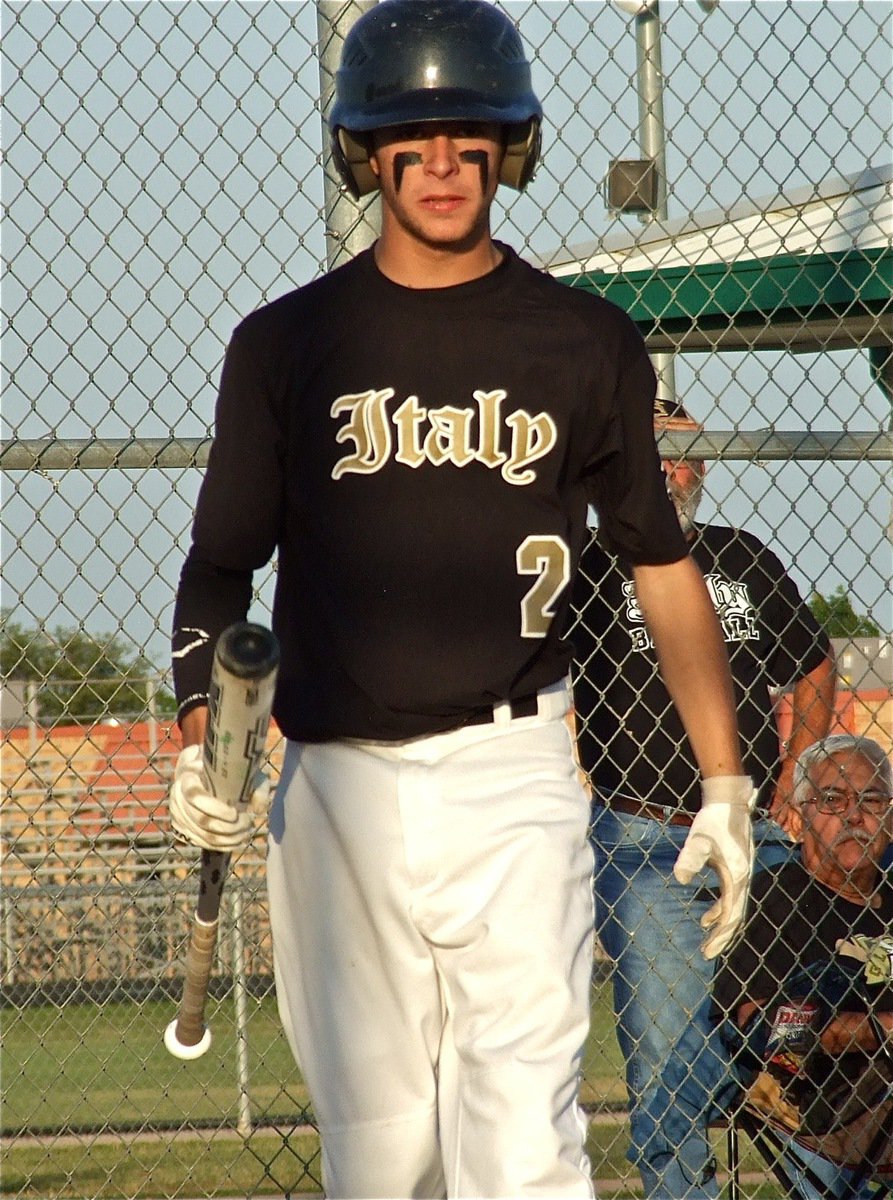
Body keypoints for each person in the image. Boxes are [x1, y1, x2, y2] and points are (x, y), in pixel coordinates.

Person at [165, 4, 756, 1196]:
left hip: (514, 778)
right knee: (381, 1163)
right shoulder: (287, 344)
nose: (440, 163)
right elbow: (216, 573)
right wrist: (200, 744)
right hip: (339, 786)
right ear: (364, 153)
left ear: (511, 146)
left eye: (467, 134)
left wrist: (726, 781)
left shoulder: (580, 340)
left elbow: (657, 562)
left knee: (522, 1148)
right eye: (410, 136)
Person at [571, 397, 837, 1194]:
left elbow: (814, 668)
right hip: (641, 835)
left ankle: (824, 1173)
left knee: (804, 1025)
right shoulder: (588, 568)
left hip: (756, 829)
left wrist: (795, 776)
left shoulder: (742, 557)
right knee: (664, 1048)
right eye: (646, 453)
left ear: (704, 466)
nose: (664, 468)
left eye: (680, 453)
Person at [639, 734, 893, 1199]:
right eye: (833, 800)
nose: (856, 815)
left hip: (882, 1100)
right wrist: (881, 1028)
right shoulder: (775, 898)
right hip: (815, 1102)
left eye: (873, 799)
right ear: (799, 816)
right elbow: (767, 1031)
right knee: (824, 979)